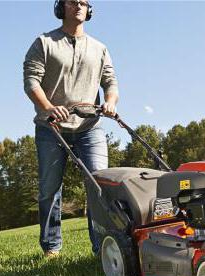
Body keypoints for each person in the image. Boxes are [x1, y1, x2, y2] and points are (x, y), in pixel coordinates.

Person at [23, 0, 119, 257]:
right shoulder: (44, 43)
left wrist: (109, 102)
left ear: (89, 10)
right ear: (61, 7)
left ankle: (102, 247)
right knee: (49, 188)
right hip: (51, 128)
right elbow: (31, 81)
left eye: (83, 2)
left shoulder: (99, 48)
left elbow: (110, 82)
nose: (78, 5)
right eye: (72, 1)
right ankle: (51, 247)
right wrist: (48, 107)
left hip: (90, 127)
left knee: (100, 185)